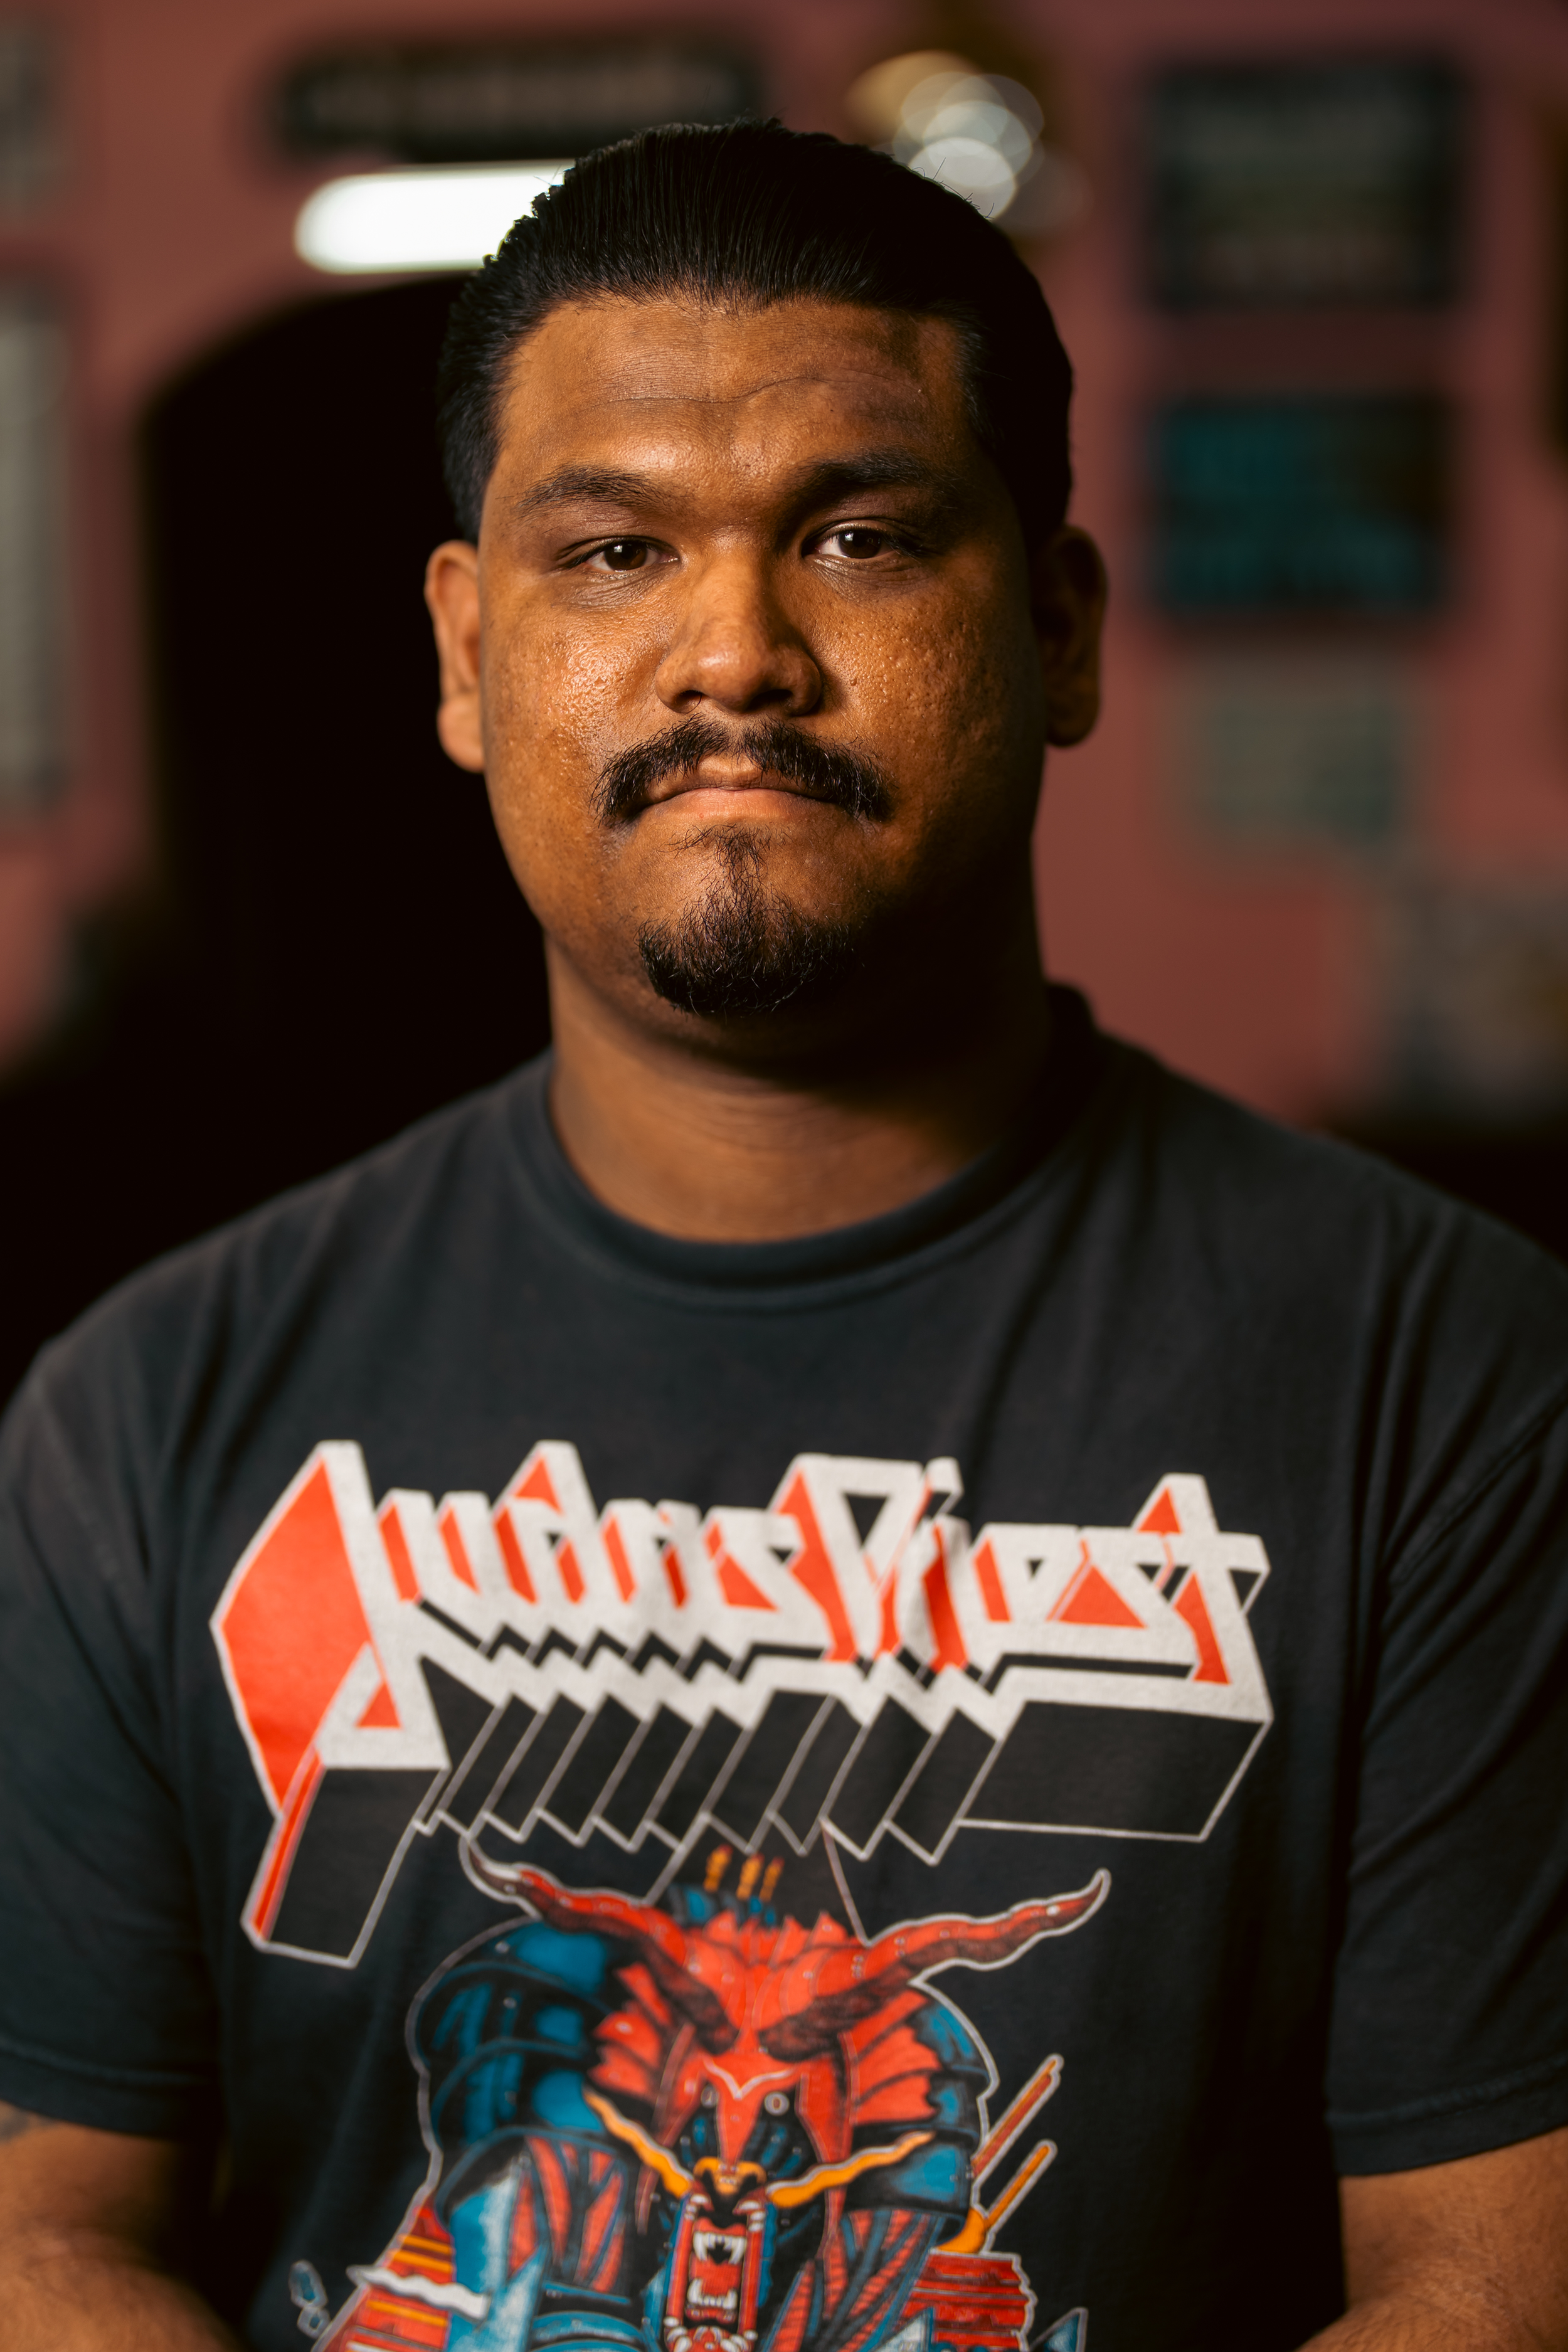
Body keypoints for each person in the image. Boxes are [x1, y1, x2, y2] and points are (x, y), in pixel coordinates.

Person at [0, 122, 1565, 2352]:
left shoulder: (1455, 1384)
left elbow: (1498, 2281)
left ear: (1053, 627)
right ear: (465, 655)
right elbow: (40, 2228)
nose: (733, 652)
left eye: (854, 534)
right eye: (616, 548)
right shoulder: (146, 1413)